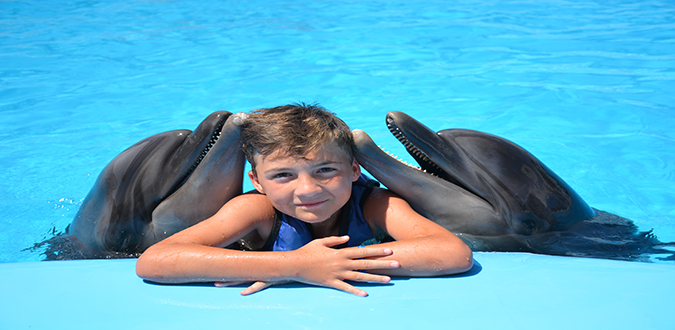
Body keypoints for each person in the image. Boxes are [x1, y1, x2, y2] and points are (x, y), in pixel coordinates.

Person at [136, 104, 473, 297]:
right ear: (257, 182)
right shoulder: (256, 209)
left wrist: (326, 264)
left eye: (326, 170)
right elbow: (155, 261)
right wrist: (293, 266)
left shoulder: (373, 204)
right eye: (283, 175)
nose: (308, 190)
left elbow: (452, 253)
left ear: (354, 169)